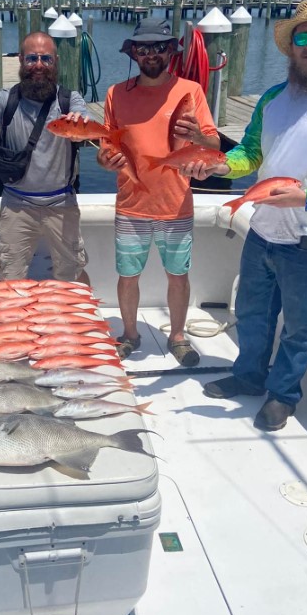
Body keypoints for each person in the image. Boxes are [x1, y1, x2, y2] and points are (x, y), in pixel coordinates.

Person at [180, 0, 307, 431]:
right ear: (291, 45)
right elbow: (250, 155)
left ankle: (284, 394)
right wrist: (220, 163)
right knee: (252, 314)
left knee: (299, 327)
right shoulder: (273, 98)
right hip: (263, 231)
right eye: (303, 37)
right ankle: (250, 375)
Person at [97, 18, 220, 363]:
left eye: (159, 47)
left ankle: (177, 336)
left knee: (178, 275)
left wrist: (197, 136)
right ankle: (130, 334)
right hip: (131, 203)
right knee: (127, 275)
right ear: (133, 52)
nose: (151, 54)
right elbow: (106, 146)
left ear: (171, 50)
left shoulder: (191, 91)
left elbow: (212, 143)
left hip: (176, 203)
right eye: (143, 47)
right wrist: (105, 159)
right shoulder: (115, 94)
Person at [0, 31, 91, 284]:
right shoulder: (3, 99)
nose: (38, 65)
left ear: (56, 61)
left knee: (71, 276)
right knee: (9, 277)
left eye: (45, 59)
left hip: (62, 204)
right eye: (31, 58)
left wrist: (79, 125)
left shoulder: (70, 99)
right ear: (20, 60)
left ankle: (70, 320)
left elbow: (83, 118)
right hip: (16, 206)